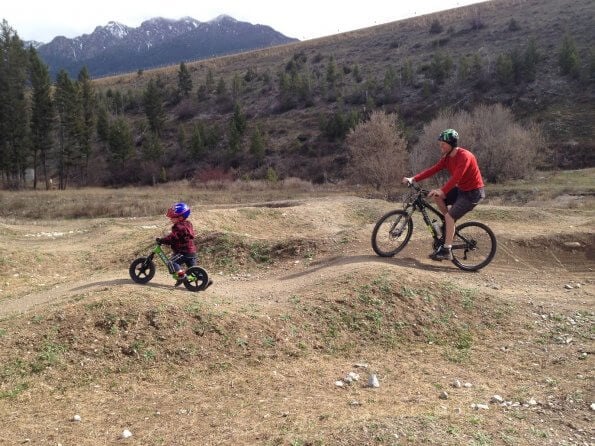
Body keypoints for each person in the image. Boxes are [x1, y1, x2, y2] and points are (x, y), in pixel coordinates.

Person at [402, 128, 485, 261]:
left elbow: (457, 177)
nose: (440, 146)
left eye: (443, 144)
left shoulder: (465, 156)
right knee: (437, 198)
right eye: (440, 143)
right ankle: (447, 224)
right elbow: (432, 170)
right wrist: (413, 178)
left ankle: (447, 250)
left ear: (452, 144)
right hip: (462, 190)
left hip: (473, 193)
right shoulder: (447, 158)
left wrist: (443, 190)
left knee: (450, 216)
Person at [156, 202, 197, 286]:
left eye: (173, 218)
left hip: (183, 252)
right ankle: (205, 279)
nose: (171, 219)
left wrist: (162, 240)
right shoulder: (188, 224)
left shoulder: (178, 227)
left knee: (171, 262)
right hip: (191, 252)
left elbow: (173, 238)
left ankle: (181, 277)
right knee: (193, 270)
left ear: (180, 218)